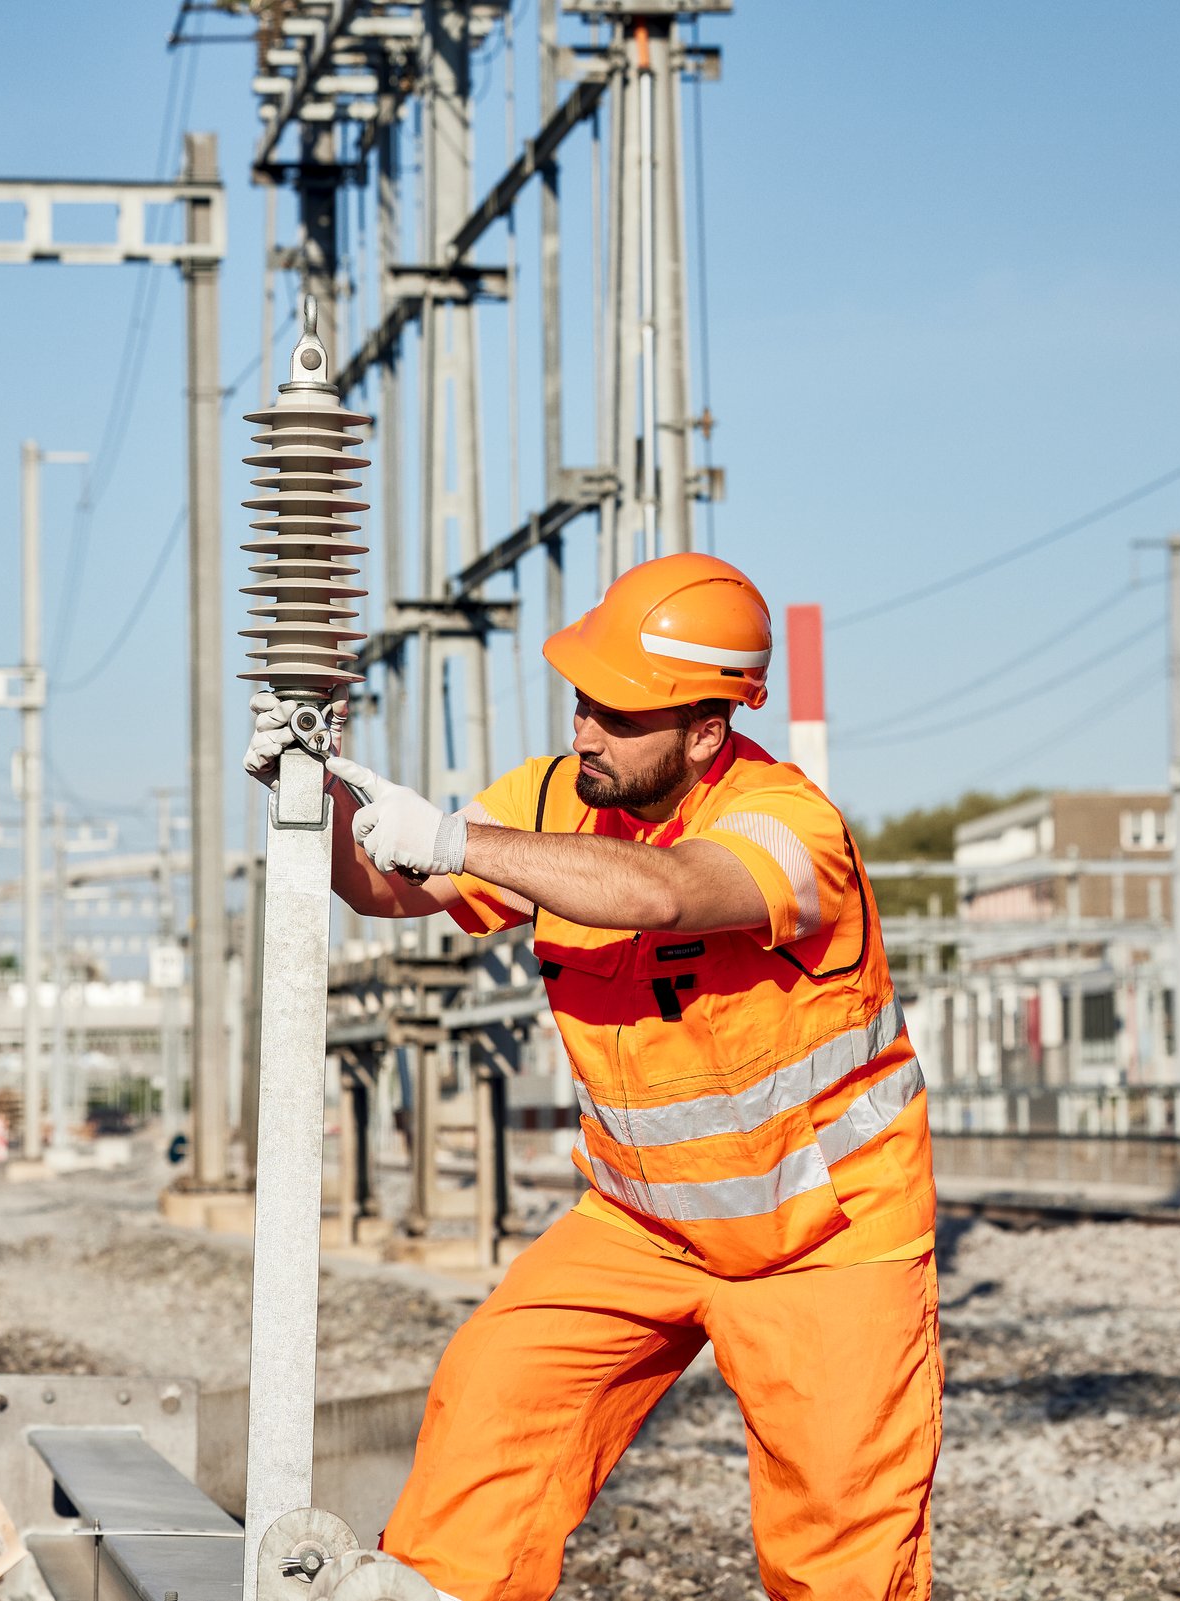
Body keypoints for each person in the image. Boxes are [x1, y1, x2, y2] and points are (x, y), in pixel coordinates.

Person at [246, 552, 940, 1601]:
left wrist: (460, 837)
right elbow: (388, 890)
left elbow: (662, 893)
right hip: (639, 1224)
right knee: (492, 1406)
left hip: (826, 1241)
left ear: (706, 731)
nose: (585, 734)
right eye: (582, 703)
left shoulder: (793, 826)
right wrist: (314, 803)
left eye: (618, 716)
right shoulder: (559, 798)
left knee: (839, 1548)